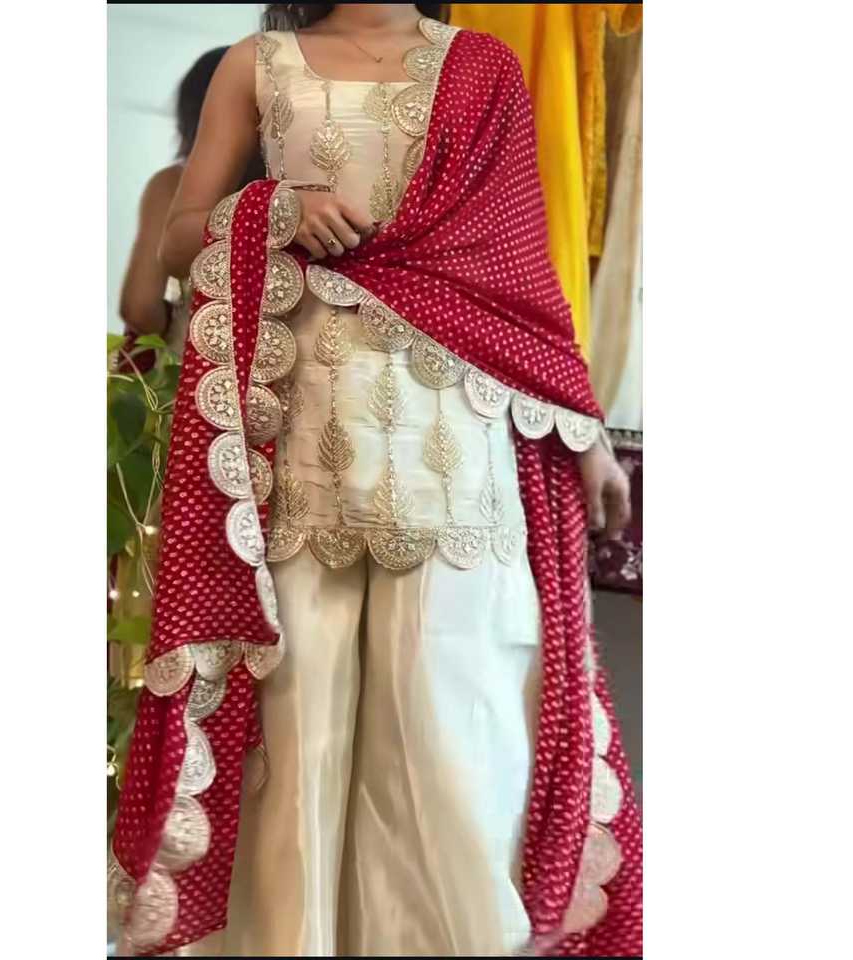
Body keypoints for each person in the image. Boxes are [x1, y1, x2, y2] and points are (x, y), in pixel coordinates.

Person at [110, 5, 642, 957]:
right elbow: (177, 242)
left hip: (456, 436)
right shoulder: (257, 62)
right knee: (300, 712)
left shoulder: (484, 68)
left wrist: (585, 429)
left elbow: (520, 269)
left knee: (453, 698)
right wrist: (278, 208)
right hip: (301, 432)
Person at [117, 47, 262, 351]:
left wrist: (180, 326)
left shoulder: (171, 185)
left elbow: (139, 306)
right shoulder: (297, 193)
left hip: (193, 365)